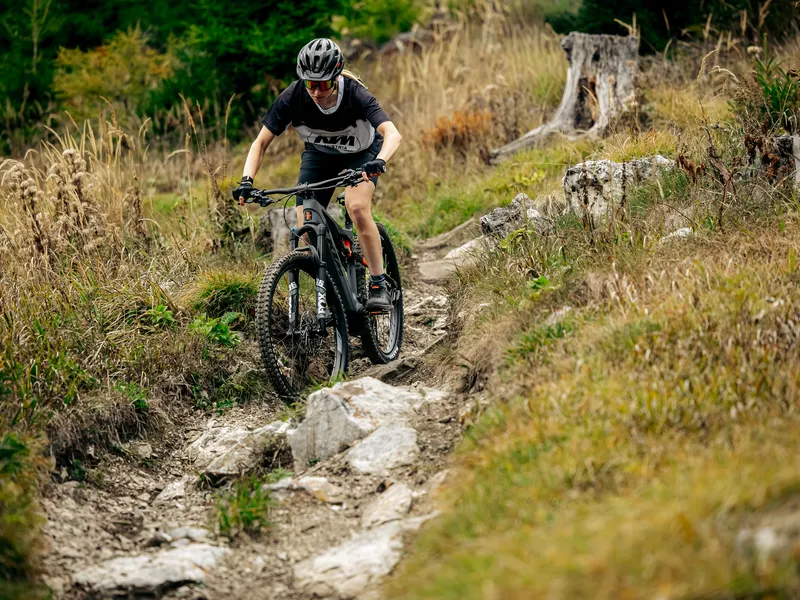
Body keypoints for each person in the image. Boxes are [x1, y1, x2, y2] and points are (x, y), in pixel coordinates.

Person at [233, 38, 403, 312]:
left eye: (322, 84)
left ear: (335, 78)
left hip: (361, 153)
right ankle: (335, 284)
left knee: (357, 206)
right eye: (310, 83)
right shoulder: (293, 96)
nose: (315, 91)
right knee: (306, 227)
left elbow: (392, 134)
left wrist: (379, 160)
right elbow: (260, 143)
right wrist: (246, 181)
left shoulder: (356, 94)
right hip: (320, 156)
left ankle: (378, 282)